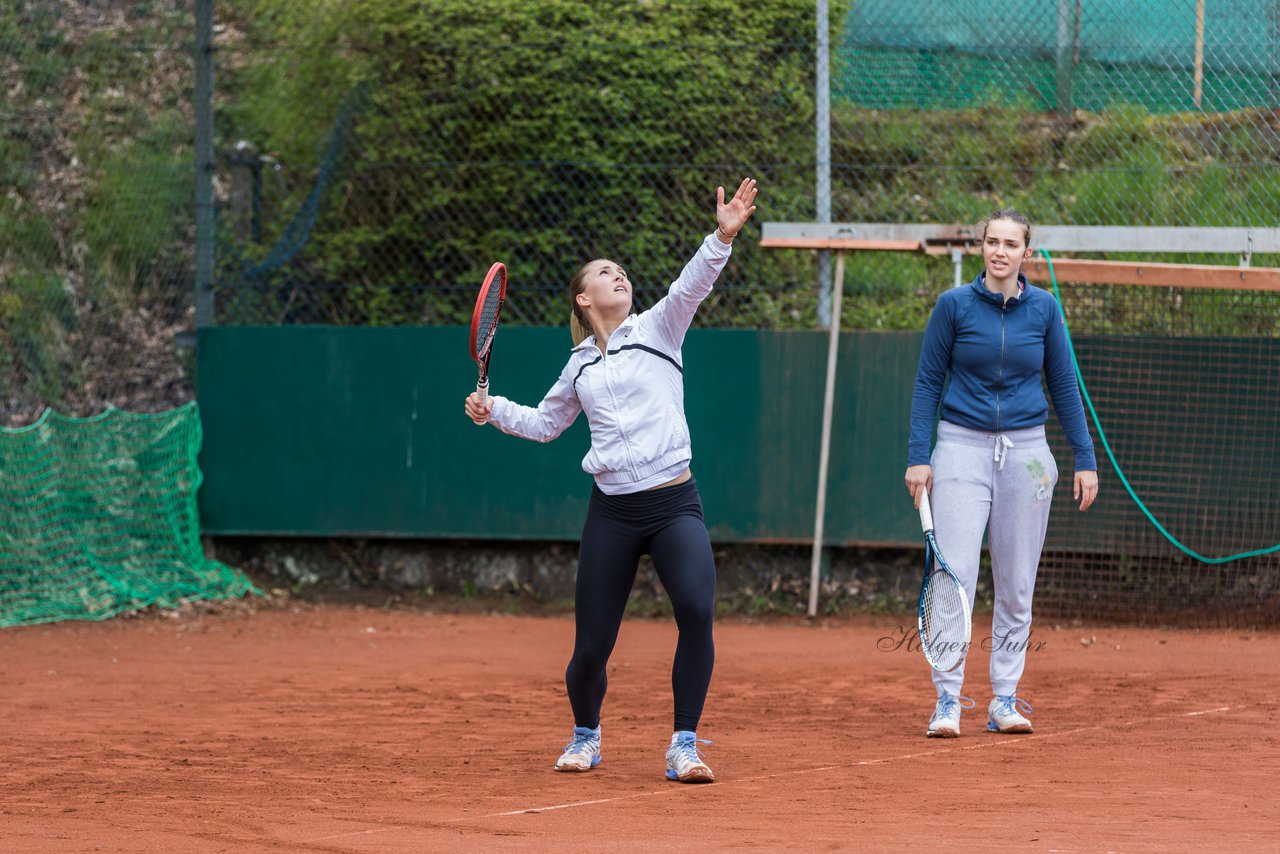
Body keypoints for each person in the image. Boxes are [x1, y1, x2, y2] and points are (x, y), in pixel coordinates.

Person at [464, 178, 758, 783]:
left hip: (676, 502)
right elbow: (546, 424)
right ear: (582, 299)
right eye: (604, 272)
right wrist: (493, 409)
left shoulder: (660, 329)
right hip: (614, 513)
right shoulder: (577, 367)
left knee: (697, 610)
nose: (617, 275)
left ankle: (684, 745)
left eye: (621, 270)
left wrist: (721, 236)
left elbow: (692, 282)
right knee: (591, 645)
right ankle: (585, 736)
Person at [904, 208, 1098, 738]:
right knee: (954, 579)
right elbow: (927, 384)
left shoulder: (1045, 310)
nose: (1000, 251)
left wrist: (1084, 459)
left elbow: (1063, 385)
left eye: (1011, 244)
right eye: (992, 242)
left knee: (1016, 583)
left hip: (1029, 453)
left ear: (1025, 254)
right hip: (959, 449)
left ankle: (1004, 699)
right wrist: (918, 455)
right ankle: (948, 700)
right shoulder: (953, 307)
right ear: (980, 247)